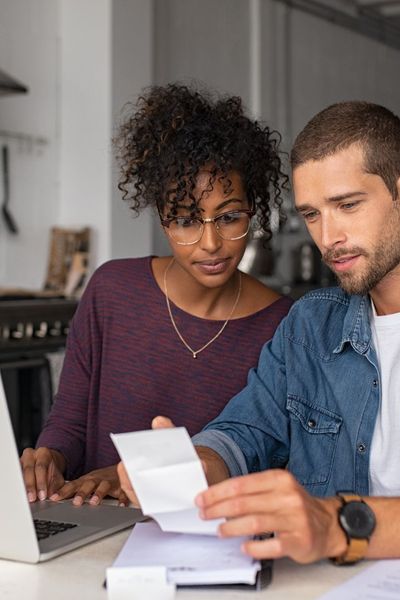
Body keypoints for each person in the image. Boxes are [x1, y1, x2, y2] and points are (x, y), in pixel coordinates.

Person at [119, 101, 400, 564]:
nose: (328, 237)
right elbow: (243, 432)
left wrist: (340, 525)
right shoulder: (308, 326)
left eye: (347, 205)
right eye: (313, 214)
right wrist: (195, 466)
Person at [20, 83, 293, 507]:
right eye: (185, 220)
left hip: (207, 541)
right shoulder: (111, 291)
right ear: (162, 220)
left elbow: (266, 458)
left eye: (229, 217)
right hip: (92, 525)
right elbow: (70, 422)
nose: (210, 243)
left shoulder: (283, 325)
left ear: (253, 211)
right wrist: (49, 458)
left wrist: (133, 477)